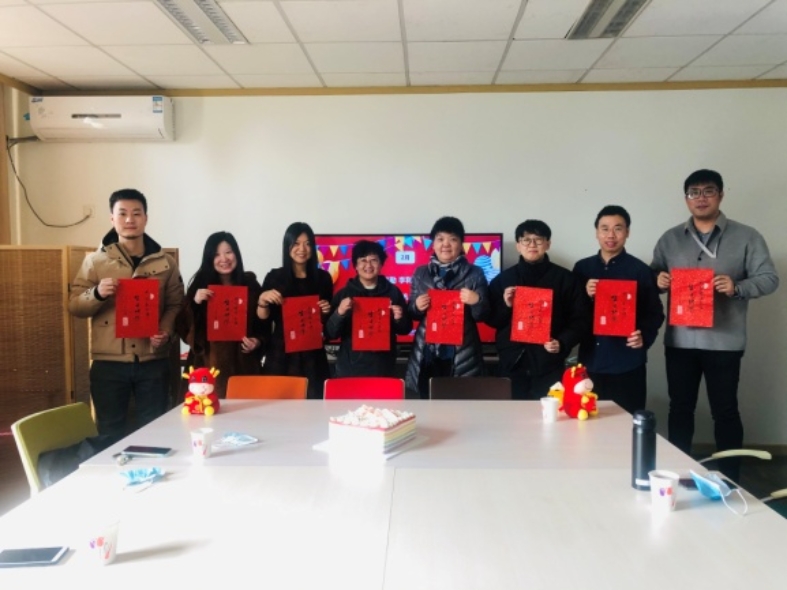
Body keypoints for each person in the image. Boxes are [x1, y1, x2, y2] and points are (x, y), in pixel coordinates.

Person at [651, 169, 779, 478]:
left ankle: (731, 480)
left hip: (724, 342)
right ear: (686, 199)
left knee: (725, 411)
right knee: (680, 409)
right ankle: (677, 476)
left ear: (720, 195)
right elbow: (652, 274)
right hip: (680, 341)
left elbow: (769, 278)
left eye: (708, 191)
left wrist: (737, 287)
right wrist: (658, 280)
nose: (701, 198)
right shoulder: (670, 238)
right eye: (694, 192)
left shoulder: (747, 236)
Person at [68, 188, 183, 442]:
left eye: (136, 213)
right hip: (108, 364)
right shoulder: (95, 262)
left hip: (153, 362)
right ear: (112, 219)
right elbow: (75, 306)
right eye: (122, 213)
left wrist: (165, 331)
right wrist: (97, 294)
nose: (130, 219)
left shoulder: (166, 263)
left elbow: (176, 305)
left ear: (146, 218)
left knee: (155, 432)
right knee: (109, 433)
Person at [572, 205, 665, 414]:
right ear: (596, 232)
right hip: (590, 360)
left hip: (627, 361)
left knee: (627, 421)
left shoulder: (640, 270)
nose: (611, 235)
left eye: (618, 228)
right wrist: (585, 294)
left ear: (627, 232)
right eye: (604, 228)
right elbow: (571, 313)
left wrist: (643, 337)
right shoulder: (582, 268)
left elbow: (655, 313)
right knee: (587, 420)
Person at [488, 220, 589, 400]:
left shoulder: (566, 279)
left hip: (549, 363)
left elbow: (580, 319)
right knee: (510, 414)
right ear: (518, 245)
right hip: (512, 362)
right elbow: (491, 319)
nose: (532, 245)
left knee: (550, 413)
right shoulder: (504, 279)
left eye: (538, 239)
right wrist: (506, 305)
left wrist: (562, 342)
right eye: (526, 240)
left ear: (548, 244)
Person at [405, 216, 490, 398]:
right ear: (433, 243)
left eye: (453, 239)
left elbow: (483, 315)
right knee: (425, 400)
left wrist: (477, 301)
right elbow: (411, 312)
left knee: (460, 402)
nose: (446, 244)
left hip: (462, 350)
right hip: (427, 351)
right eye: (440, 239)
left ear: (461, 244)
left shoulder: (475, 273)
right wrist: (417, 306)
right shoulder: (421, 273)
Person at [175, 231, 265, 398]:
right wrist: (195, 303)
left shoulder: (251, 285)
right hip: (207, 365)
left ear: (236, 254)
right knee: (207, 409)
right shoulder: (199, 285)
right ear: (209, 258)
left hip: (243, 365)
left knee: (246, 411)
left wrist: (257, 341)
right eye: (216, 254)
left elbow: (263, 325)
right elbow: (182, 328)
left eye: (228, 252)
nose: (224, 259)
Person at [257, 222, 333, 399]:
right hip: (281, 352)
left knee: (314, 404)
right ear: (287, 246)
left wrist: (325, 311)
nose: (302, 249)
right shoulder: (275, 277)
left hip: (313, 353)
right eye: (296, 243)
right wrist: (262, 301)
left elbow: (326, 322)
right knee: (278, 405)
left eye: (307, 244)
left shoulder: (323, 278)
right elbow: (263, 320)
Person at [325, 240, 412, 377]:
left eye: (373, 260)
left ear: (381, 264)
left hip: (383, 367)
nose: (368, 265)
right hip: (350, 368)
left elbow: (405, 329)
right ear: (355, 265)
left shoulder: (392, 292)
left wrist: (399, 319)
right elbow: (330, 334)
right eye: (363, 260)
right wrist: (339, 313)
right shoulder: (344, 294)